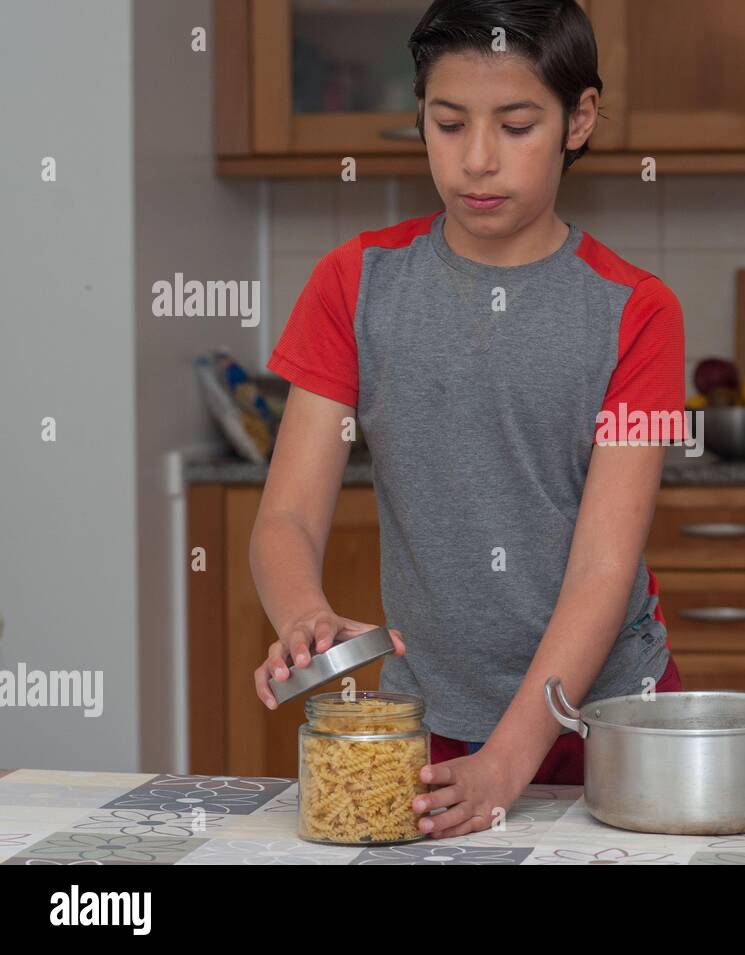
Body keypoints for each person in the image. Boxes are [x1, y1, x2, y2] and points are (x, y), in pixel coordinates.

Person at [249, 0, 686, 840]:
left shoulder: (636, 312)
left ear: (579, 118)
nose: (477, 160)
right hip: (433, 719)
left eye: (517, 125)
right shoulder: (355, 285)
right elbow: (287, 515)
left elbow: (604, 564)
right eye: (449, 125)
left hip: (613, 720)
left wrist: (510, 756)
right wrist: (304, 615)